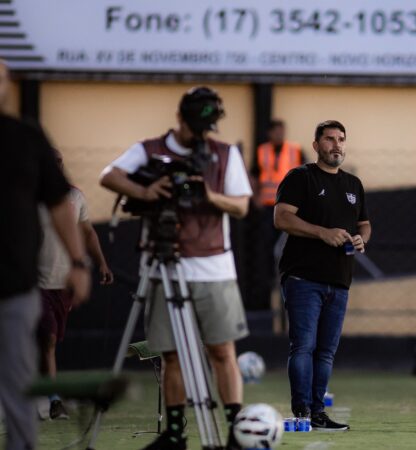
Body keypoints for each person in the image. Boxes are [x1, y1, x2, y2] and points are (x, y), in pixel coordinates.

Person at [99, 86, 252, 450]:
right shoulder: (150, 149)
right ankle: (176, 433)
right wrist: (147, 191)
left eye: (208, 127)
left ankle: (234, 432)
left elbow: (242, 206)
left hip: (214, 267)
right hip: (163, 264)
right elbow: (109, 175)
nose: (202, 135)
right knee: (171, 354)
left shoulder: (224, 154)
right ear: (180, 118)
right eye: (196, 126)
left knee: (222, 350)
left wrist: (209, 196)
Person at [0, 59, 90, 450]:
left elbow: (60, 203)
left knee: (18, 381)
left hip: (16, 284)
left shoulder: (24, 137)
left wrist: (78, 261)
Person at [274, 120, 371, 431]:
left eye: (341, 139)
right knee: (303, 345)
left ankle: (318, 412)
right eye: (329, 139)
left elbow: (365, 224)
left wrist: (361, 239)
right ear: (316, 145)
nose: (337, 145)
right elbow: (282, 217)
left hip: (340, 280)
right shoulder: (300, 177)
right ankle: (301, 412)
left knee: (326, 351)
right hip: (303, 277)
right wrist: (321, 233)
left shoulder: (354, 185)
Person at [37, 150, 114, 421]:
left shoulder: (74, 196)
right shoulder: (26, 196)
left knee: (50, 341)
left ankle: (42, 391)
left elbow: (88, 233)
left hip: (64, 282)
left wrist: (101, 263)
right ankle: (52, 399)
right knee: (44, 338)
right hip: (34, 281)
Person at [253, 119, 304, 305]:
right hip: (268, 206)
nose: (280, 134)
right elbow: (254, 175)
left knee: (288, 243)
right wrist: (255, 196)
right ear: (270, 133)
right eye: (276, 131)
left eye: (282, 131)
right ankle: (270, 279)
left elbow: (305, 175)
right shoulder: (262, 151)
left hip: (289, 207)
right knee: (268, 244)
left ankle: (289, 274)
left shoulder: (295, 150)